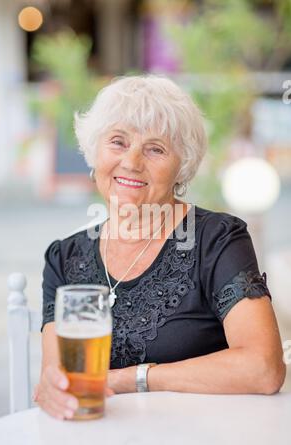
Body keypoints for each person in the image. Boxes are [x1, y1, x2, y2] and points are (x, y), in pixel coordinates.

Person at [35, 75, 286, 420]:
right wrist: (52, 391)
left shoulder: (217, 239)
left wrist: (131, 379)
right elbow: (60, 381)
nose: (132, 162)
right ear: (95, 152)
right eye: (118, 142)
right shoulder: (64, 259)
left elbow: (264, 368)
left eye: (155, 149)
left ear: (180, 168)